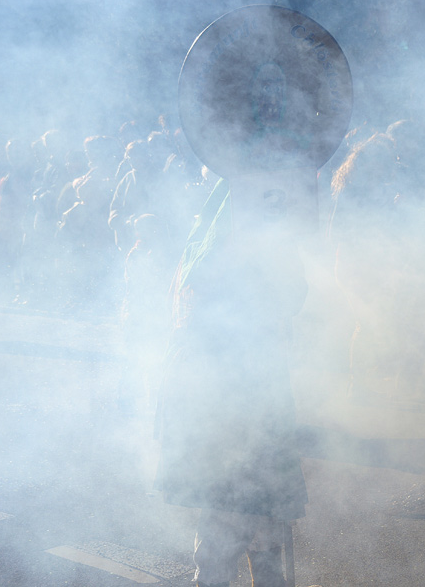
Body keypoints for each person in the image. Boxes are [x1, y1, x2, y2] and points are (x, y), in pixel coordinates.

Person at [155, 177, 307, 587]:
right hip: (228, 407)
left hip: (250, 404)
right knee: (229, 531)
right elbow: (291, 294)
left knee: (254, 532)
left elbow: (293, 293)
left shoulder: (232, 246)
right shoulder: (214, 258)